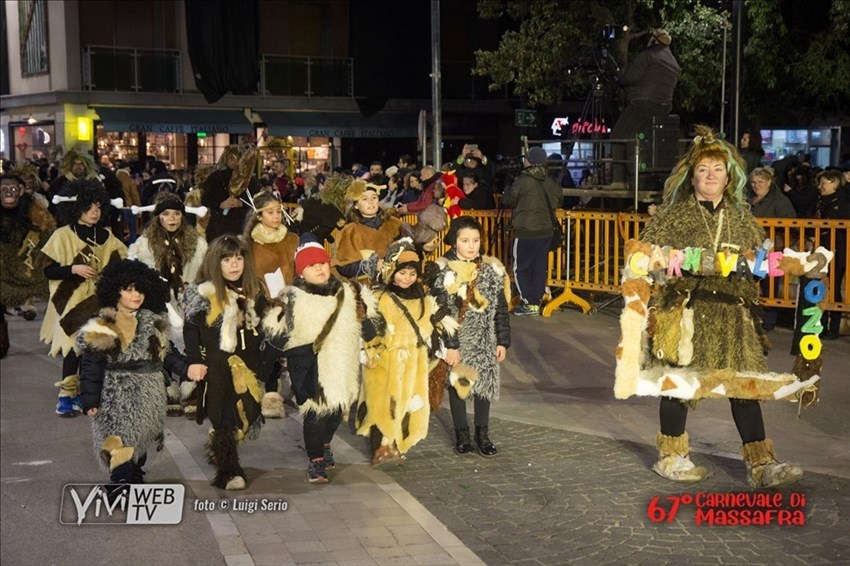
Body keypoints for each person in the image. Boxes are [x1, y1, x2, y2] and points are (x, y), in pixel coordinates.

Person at [635, 125, 803, 488]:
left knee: (744, 388)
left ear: (729, 176)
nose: (710, 176)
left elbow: (760, 261)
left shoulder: (741, 216)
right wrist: (669, 257)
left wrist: (769, 264)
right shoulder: (673, 214)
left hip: (732, 314)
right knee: (679, 385)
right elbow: (644, 255)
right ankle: (672, 456)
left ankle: (761, 464)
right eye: (703, 170)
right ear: (691, 176)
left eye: (717, 170)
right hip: (685, 313)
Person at [263, 234, 377, 483]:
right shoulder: (293, 297)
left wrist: (366, 318)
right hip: (309, 365)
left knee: (336, 410)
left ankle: (325, 444)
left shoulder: (348, 292)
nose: (319, 268)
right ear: (301, 272)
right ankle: (316, 461)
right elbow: (276, 332)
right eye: (311, 265)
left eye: (322, 263)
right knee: (314, 414)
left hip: (342, 365)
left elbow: (369, 327)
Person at [77, 259, 183, 494]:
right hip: (116, 394)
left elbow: (168, 354)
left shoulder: (154, 322)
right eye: (128, 289)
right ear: (115, 291)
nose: (136, 295)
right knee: (118, 441)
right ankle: (120, 484)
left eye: (140, 289)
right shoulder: (104, 324)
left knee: (141, 441)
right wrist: (90, 399)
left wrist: (187, 369)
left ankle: (135, 476)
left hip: (149, 394)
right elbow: (91, 365)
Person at [182, 235, 268, 490]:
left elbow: (263, 325)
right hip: (218, 365)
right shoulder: (203, 292)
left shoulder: (255, 289)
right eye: (227, 259)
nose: (234, 265)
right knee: (224, 417)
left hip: (248, 364)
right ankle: (228, 471)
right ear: (215, 263)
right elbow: (190, 329)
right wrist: (194, 361)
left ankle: (220, 448)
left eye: (239, 258)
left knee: (249, 412)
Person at [39, 179, 127, 417]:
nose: (95, 212)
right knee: (70, 348)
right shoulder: (62, 235)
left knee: (93, 349)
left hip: (97, 301)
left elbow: (121, 264)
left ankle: (87, 394)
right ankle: (66, 395)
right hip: (68, 300)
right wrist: (73, 270)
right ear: (77, 208)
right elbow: (47, 269)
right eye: (89, 207)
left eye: (98, 207)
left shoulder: (107, 237)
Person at [425, 216, 511, 457]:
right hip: (458, 340)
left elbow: (500, 308)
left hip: (485, 339)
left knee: (484, 386)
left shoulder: (492, 268)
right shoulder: (443, 269)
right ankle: (462, 435)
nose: (472, 245)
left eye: (476, 240)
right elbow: (439, 311)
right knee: (458, 387)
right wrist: (450, 346)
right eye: (465, 240)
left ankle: (482, 434)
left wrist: (502, 340)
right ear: (454, 242)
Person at [356, 239, 446, 465]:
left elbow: (426, 327)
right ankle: (380, 447)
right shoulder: (380, 297)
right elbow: (369, 327)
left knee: (406, 404)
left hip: (412, 363)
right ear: (390, 271)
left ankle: (395, 443)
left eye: (411, 274)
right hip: (385, 359)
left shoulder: (422, 300)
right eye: (402, 273)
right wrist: (369, 349)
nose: (406, 278)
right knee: (381, 403)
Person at [128, 192, 208, 416]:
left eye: (176, 214)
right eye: (166, 214)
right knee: (161, 343)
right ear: (158, 217)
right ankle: (167, 390)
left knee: (190, 340)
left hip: (188, 300)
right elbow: (133, 271)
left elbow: (206, 272)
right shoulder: (143, 245)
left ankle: (190, 389)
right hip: (156, 302)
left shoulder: (198, 244)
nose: (172, 219)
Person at [241, 190, 298, 418]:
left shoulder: (292, 239)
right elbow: (246, 276)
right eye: (270, 212)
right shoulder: (249, 245)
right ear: (258, 215)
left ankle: (299, 391)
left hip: (292, 302)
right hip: (263, 305)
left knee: (295, 348)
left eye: (279, 211)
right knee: (268, 349)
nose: (276, 216)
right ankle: (270, 393)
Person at [609, 29, 680, 188]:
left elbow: (630, 77)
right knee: (641, 142)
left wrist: (618, 77)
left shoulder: (649, 55)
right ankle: (640, 180)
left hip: (643, 104)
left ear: (654, 41)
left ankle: (619, 181)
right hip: (663, 108)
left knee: (618, 136)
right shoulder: (674, 64)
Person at [501, 146, 561, 315]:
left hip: (526, 230)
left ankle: (528, 301)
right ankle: (535, 301)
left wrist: (507, 185)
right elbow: (559, 199)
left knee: (521, 267)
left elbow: (509, 200)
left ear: (529, 161)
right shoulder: (551, 180)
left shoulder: (523, 180)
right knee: (538, 267)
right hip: (547, 230)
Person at [1, 173, 55, 358]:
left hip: (26, 265)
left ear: (21, 191)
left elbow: (48, 234)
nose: (9, 193)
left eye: (13, 189)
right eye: (4, 190)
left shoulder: (34, 211)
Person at [748, 166, 796, 331]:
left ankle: (769, 318)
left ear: (769, 182)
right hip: (752, 248)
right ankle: (752, 315)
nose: (757, 186)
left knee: (771, 283)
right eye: (753, 182)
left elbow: (791, 223)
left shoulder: (780, 200)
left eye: (760, 182)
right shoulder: (748, 199)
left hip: (774, 248)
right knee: (750, 280)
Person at [332, 180, 403, 281]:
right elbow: (343, 265)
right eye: (364, 199)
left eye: (374, 197)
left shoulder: (394, 224)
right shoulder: (349, 231)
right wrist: (371, 266)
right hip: (366, 287)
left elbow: (411, 252)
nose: (371, 202)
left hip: (397, 282)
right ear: (356, 205)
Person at [814, 169, 849, 340]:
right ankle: (821, 325)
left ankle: (833, 327)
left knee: (834, 287)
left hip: (838, 250)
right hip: (822, 249)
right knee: (821, 287)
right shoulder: (821, 200)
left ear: (835, 183)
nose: (820, 186)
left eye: (824, 182)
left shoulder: (842, 201)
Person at [202, 146, 261, 242]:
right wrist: (220, 204)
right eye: (231, 158)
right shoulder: (215, 177)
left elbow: (257, 199)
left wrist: (241, 203)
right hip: (218, 224)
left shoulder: (249, 179)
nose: (234, 161)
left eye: (237, 158)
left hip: (241, 223)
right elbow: (205, 199)